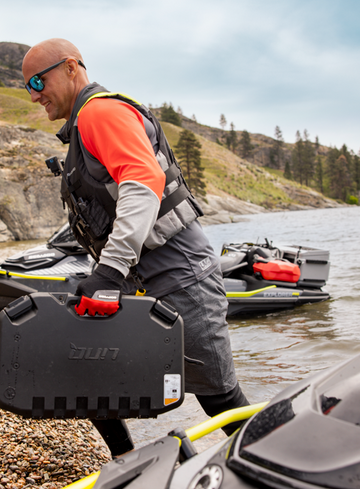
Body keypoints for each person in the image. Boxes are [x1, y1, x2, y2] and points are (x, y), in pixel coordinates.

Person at [21, 38, 249, 458]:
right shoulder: (83, 125)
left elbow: (143, 183)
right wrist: (105, 274)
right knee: (85, 369)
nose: (35, 94)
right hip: (135, 279)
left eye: (39, 80)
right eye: (27, 86)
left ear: (72, 68)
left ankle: (274, 468)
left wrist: (107, 273)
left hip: (180, 276)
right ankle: (127, 464)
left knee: (217, 394)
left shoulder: (100, 113)